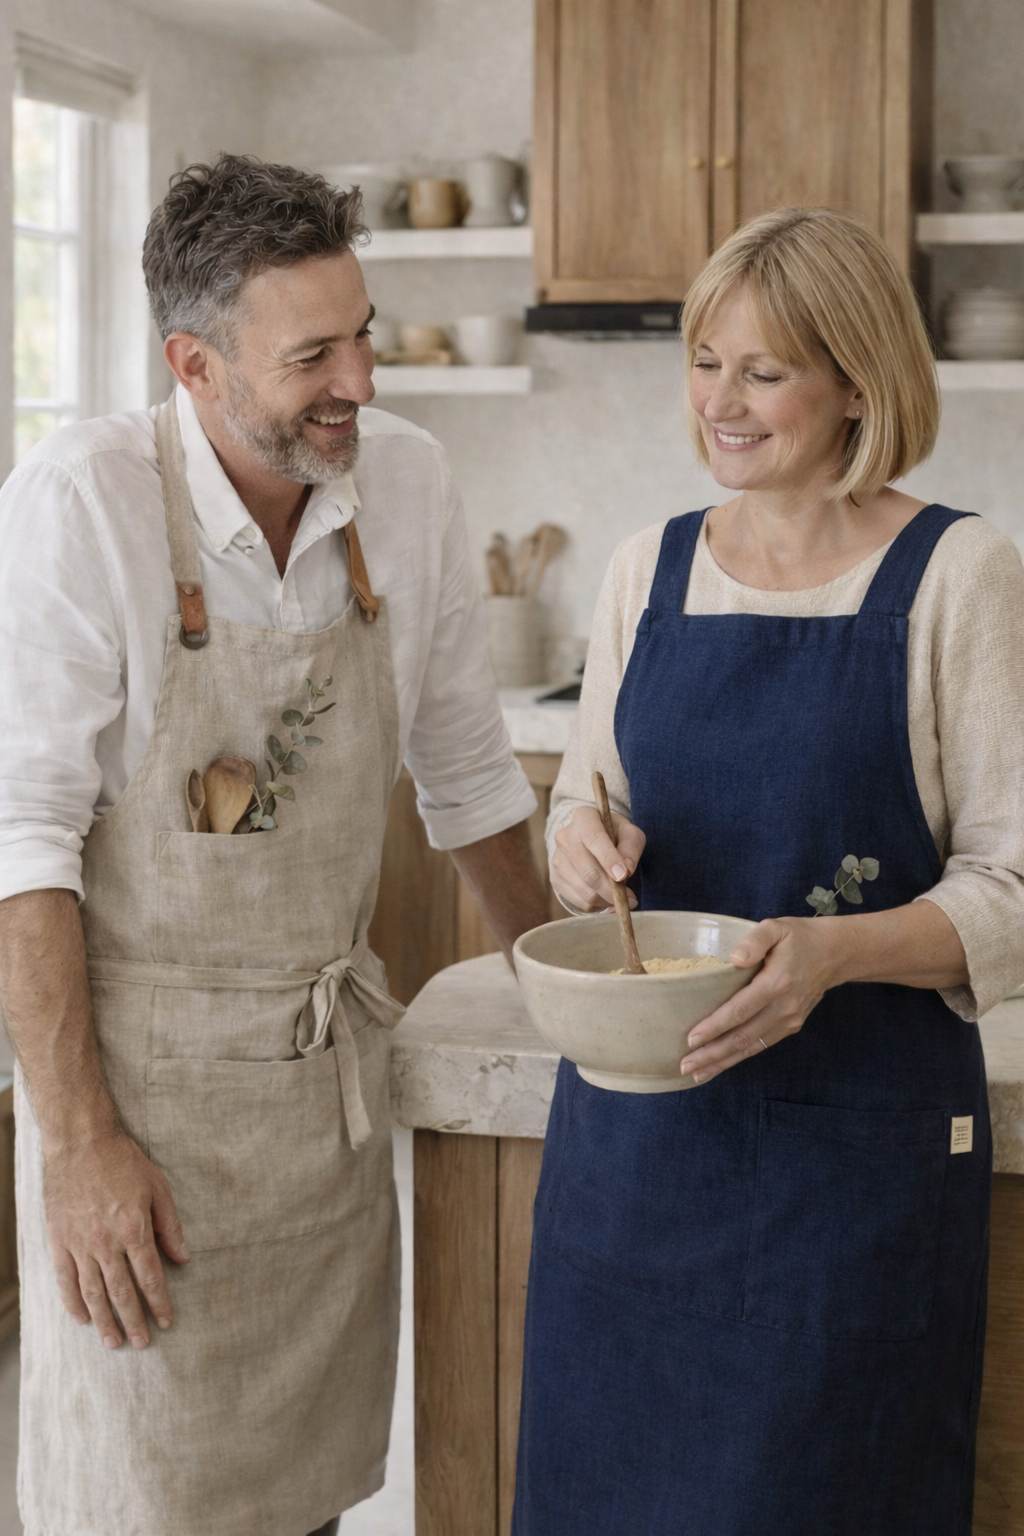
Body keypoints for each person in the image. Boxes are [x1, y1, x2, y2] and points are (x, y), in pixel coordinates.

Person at [0, 153, 549, 1536]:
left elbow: (470, 774)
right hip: (142, 1130)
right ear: (195, 364)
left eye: (362, 333)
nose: (361, 379)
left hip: (320, 1125)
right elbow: (21, 840)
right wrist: (75, 1148)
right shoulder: (83, 504)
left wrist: (572, 981)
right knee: (148, 1504)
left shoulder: (406, 484)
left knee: (309, 1506)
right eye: (314, 355)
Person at [512, 206, 1024, 1536]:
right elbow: (587, 798)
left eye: (764, 370)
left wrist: (835, 953)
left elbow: (1016, 887)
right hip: (634, 1163)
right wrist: (578, 844)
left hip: (851, 1176)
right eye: (703, 361)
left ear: (859, 380)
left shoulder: (960, 575)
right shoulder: (649, 571)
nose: (720, 405)